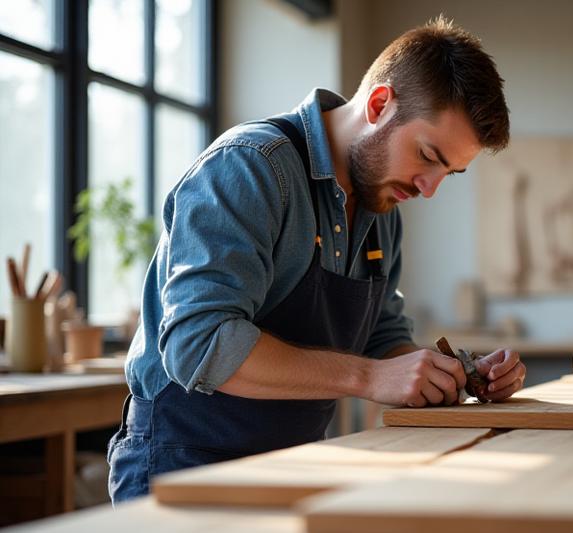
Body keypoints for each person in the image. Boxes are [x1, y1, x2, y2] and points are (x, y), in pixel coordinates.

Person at [107, 16, 522, 504]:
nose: (428, 189)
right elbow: (200, 343)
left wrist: (452, 372)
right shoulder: (251, 167)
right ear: (379, 104)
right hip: (183, 467)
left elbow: (382, 340)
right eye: (428, 156)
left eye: (448, 173)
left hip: (294, 466)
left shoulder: (382, 207)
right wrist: (368, 378)